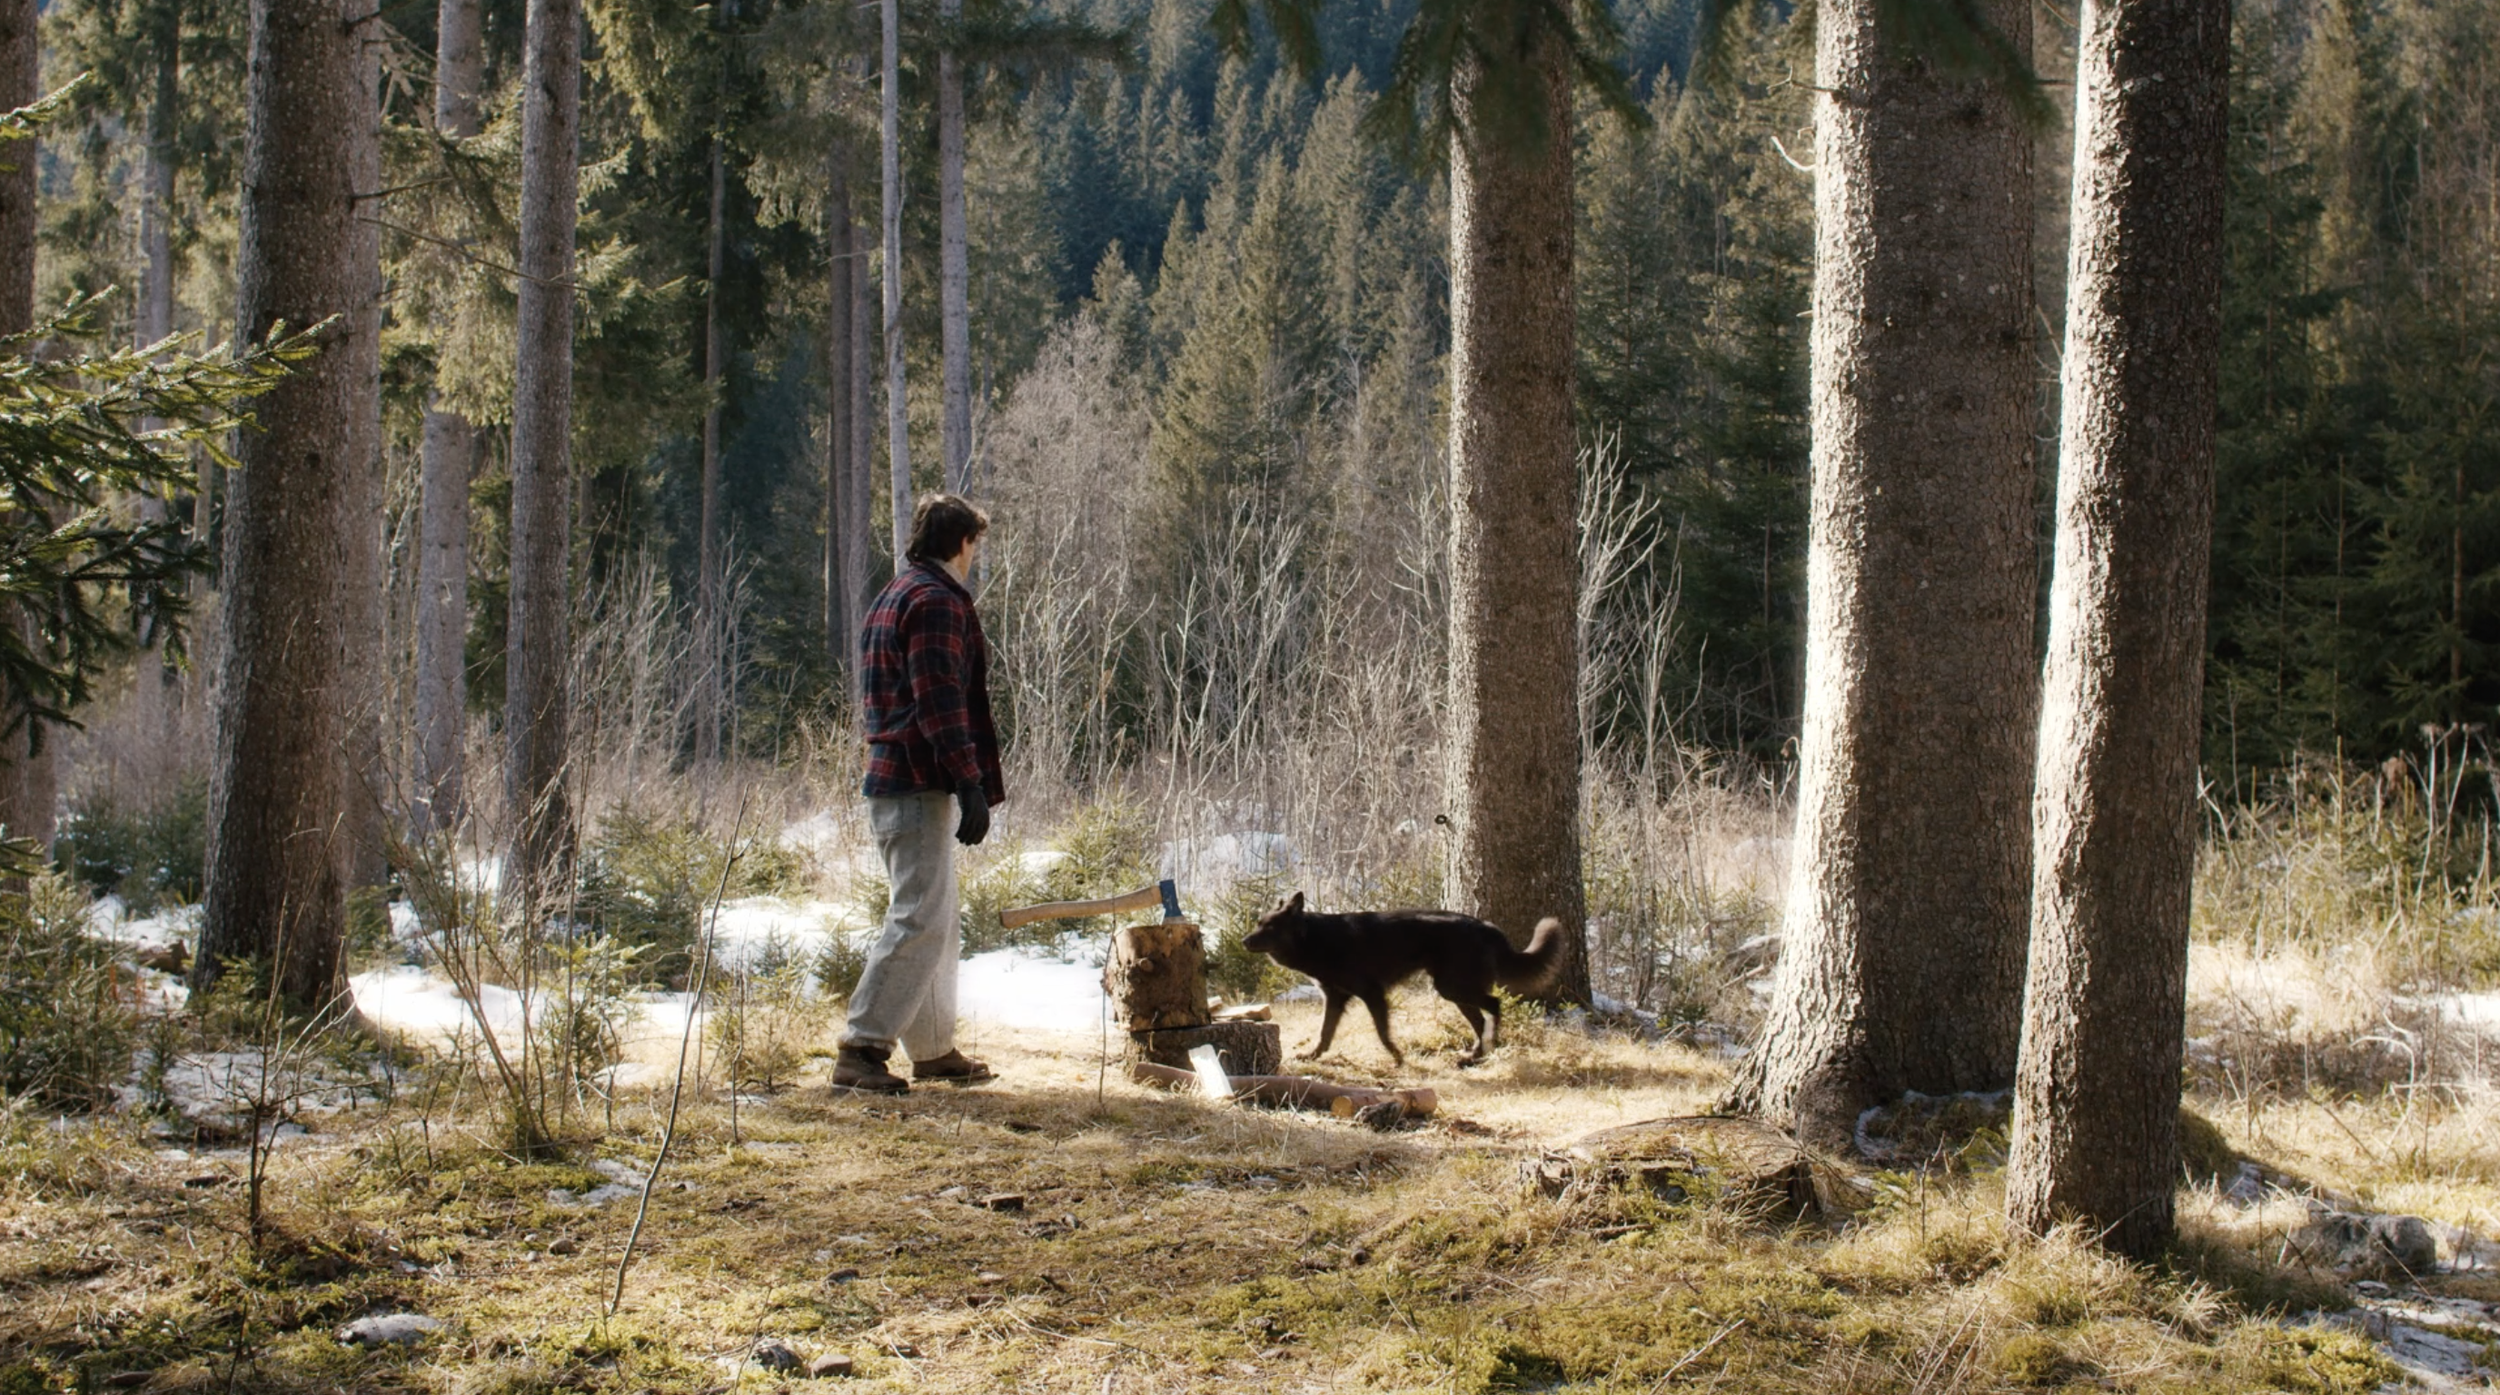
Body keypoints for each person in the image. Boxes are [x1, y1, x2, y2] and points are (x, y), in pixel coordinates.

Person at [834, 494, 1004, 1094]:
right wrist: (969, 781)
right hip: (913, 781)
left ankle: (932, 1051)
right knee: (917, 918)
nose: (975, 557)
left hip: (896, 778)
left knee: (935, 919)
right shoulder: (935, 602)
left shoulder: (896, 594)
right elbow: (938, 700)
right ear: (963, 543)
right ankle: (861, 1048)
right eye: (976, 546)